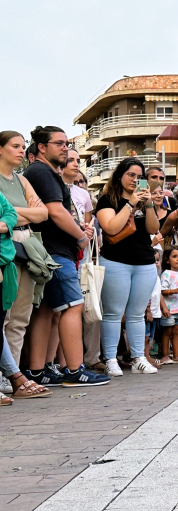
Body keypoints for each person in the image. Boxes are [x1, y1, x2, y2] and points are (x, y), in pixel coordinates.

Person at [23, 127, 108, 387]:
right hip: (54, 251)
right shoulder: (42, 171)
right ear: (41, 147)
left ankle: (38, 371)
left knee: (47, 310)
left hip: (49, 250)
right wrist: (81, 237)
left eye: (67, 143)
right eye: (59, 143)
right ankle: (75, 370)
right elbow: (56, 211)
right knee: (73, 305)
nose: (65, 148)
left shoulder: (39, 171)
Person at [95, 157, 162, 376]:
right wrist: (130, 203)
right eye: (131, 175)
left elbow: (153, 229)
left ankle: (138, 358)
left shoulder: (144, 200)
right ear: (120, 175)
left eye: (139, 176)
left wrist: (150, 203)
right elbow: (112, 228)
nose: (135, 180)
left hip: (144, 262)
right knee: (113, 313)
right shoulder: (107, 199)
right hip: (115, 261)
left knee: (136, 314)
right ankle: (111, 359)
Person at [0, 132, 49, 366]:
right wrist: (25, 212)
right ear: (0, 149)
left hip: (26, 246)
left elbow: (43, 214)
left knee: (21, 317)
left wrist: (10, 214)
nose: (21, 151)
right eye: (15, 146)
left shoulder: (21, 180)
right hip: (5, 247)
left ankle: (12, 375)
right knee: (4, 314)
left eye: (22, 146)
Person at [159, 246, 178, 364]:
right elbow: (162, 291)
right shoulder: (166, 274)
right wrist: (174, 291)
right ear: (167, 259)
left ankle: (176, 354)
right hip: (170, 308)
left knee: (177, 331)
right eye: (174, 256)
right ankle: (165, 355)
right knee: (168, 331)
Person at [62, 150, 93, 223]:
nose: (76, 164)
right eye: (70, 160)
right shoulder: (52, 188)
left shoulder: (84, 194)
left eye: (78, 161)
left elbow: (87, 224)